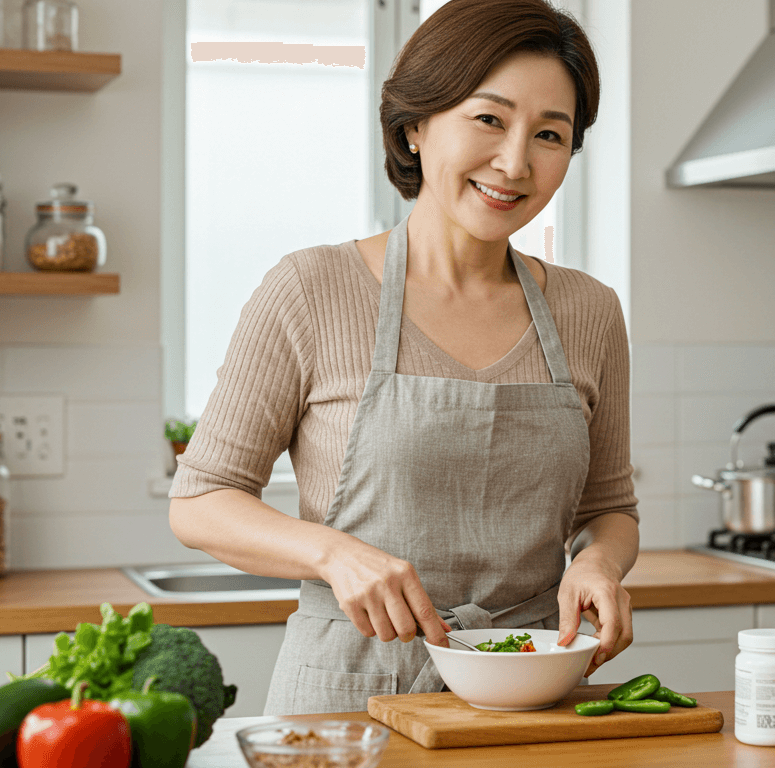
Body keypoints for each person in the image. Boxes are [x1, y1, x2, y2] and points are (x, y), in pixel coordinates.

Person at [168, 0, 638, 716]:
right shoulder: (310, 289)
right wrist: (332, 554)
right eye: (489, 118)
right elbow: (200, 502)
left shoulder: (591, 310)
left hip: (530, 694)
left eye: (549, 133)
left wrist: (599, 562)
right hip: (345, 700)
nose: (515, 162)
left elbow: (611, 509)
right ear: (415, 125)